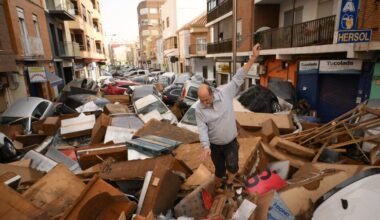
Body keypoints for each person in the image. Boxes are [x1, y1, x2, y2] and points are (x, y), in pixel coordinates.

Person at [195, 44, 261, 188]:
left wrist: (253, 57)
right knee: (219, 170)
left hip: (230, 142)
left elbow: (238, 77)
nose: (205, 103)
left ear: (212, 93)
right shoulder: (199, 109)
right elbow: (202, 129)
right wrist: (206, 146)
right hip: (215, 145)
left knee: (232, 166)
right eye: (202, 100)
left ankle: (229, 184)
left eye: (206, 99)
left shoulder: (225, 93)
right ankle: (218, 187)